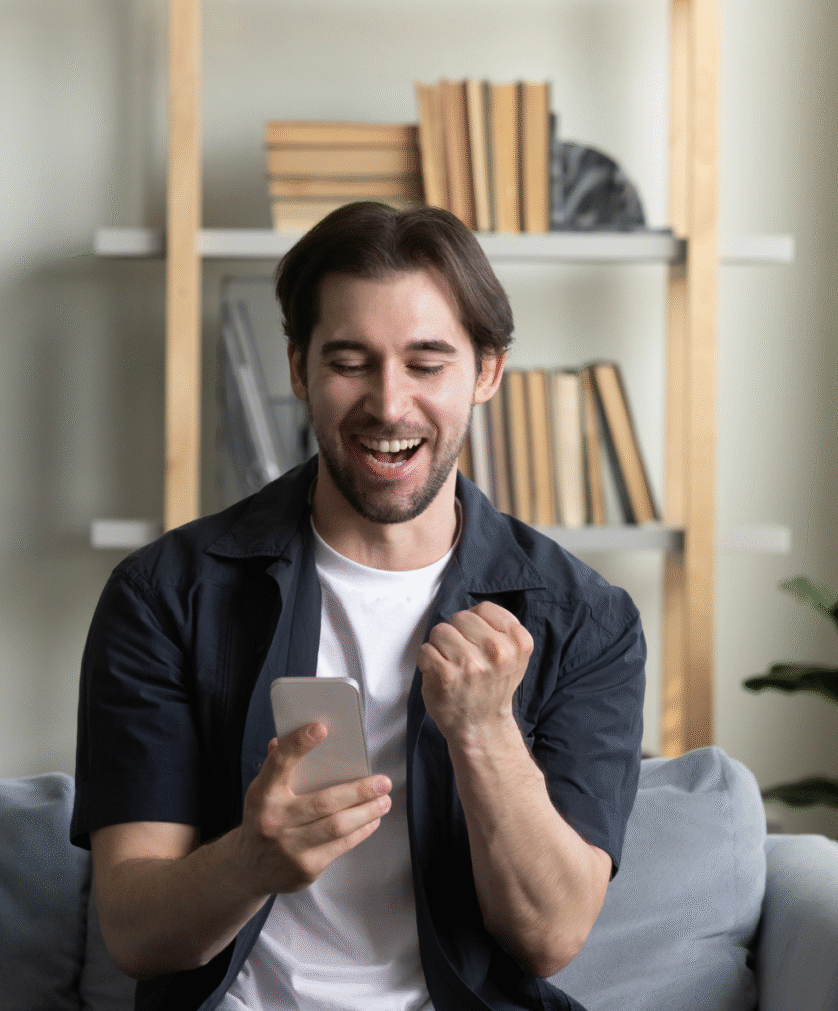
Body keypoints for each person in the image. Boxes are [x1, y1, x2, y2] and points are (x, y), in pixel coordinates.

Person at [72, 202, 645, 1011]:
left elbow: (550, 937)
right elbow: (134, 933)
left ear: (485, 373)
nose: (388, 404)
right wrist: (252, 860)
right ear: (299, 369)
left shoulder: (585, 619)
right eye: (349, 361)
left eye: (425, 362)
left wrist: (484, 734)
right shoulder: (164, 595)